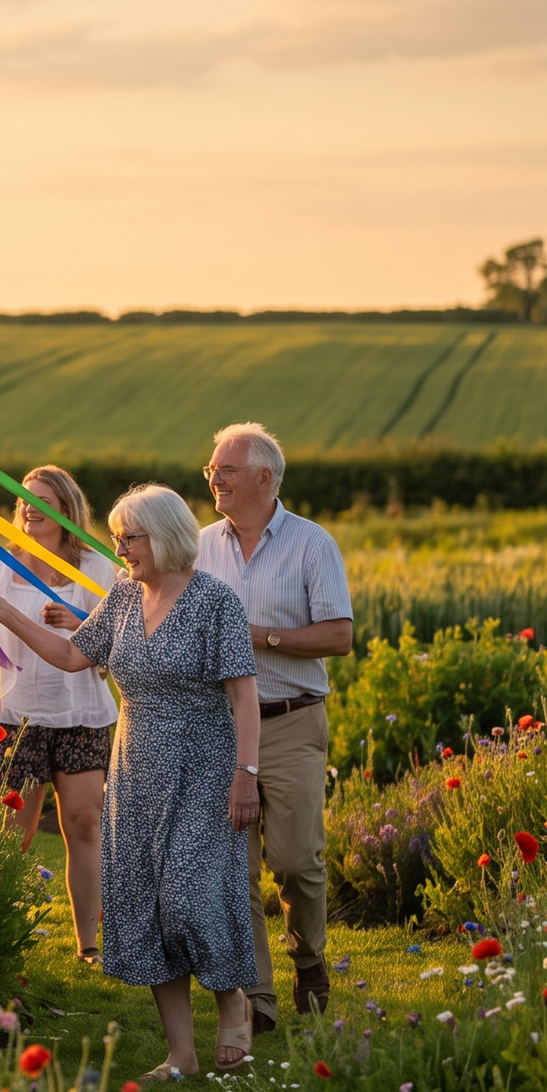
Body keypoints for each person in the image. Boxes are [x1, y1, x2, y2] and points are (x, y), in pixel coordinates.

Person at [0, 484, 263, 1081]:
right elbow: (75, 655)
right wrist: (8, 617)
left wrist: (246, 775)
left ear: (165, 536)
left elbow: (244, 694)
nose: (121, 548)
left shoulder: (215, 602)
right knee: (148, 910)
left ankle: (232, 995)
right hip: (134, 771)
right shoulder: (125, 597)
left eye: (130, 537)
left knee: (190, 897)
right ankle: (180, 1056)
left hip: (203, 769)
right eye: (118, 538)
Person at [198, 422, 352, 1028]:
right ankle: (256, 998)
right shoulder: (198, 545)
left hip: (291, 720)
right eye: (211, 469)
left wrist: (262, 637)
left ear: (265, 478)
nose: (214, 478)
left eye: (226, 469)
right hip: (218, 725)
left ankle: (309, 959)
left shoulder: (314, 545)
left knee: (295, 862)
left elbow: (339, 635)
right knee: (236, 864)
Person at [0, 465, 120, 962]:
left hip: (82, 714)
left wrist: (81, 622)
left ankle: (89, 944)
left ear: (67, 510)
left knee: (84, 826)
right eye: (24, 499)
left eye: (42, 500)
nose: (29, 508)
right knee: (12, 834)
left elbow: (121, 638)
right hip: (14, 716)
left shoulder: (98, 569)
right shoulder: (0, 566)